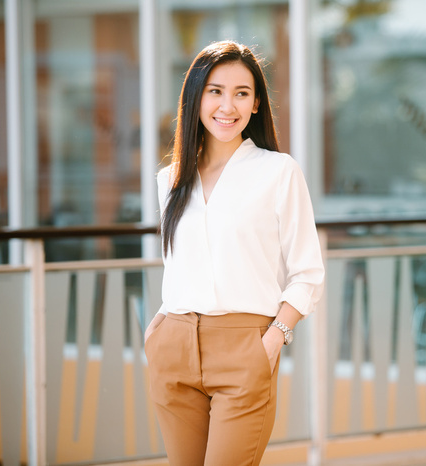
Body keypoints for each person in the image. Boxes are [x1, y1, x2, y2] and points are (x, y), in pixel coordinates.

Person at [143, 41, 325, 465]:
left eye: (242, 93)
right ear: (195, 98)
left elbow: (307, 272)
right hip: (174, 345)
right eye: (215, 91)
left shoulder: (278, 172)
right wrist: (156, 333)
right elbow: (179, 266)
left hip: (246, 346)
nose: (228, 105)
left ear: (257, 103)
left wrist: (274, 339)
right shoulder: (170, 179)